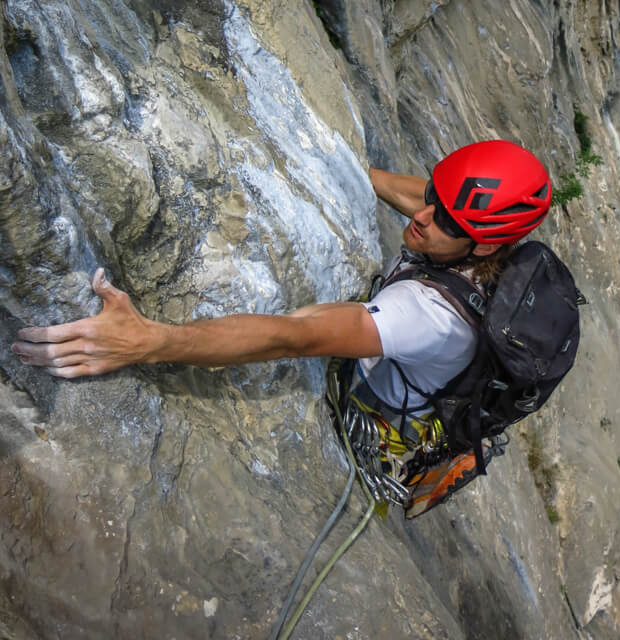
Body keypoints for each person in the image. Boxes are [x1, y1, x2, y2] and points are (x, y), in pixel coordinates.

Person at [11, 140, 552, 508]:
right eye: (434, 194)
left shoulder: (429, 318)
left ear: (484, 243)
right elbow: (416, 198)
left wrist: (149, 341)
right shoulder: (469, 233)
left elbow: (293, 335)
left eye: (446, 219)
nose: (423, 215)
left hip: (377, 404)